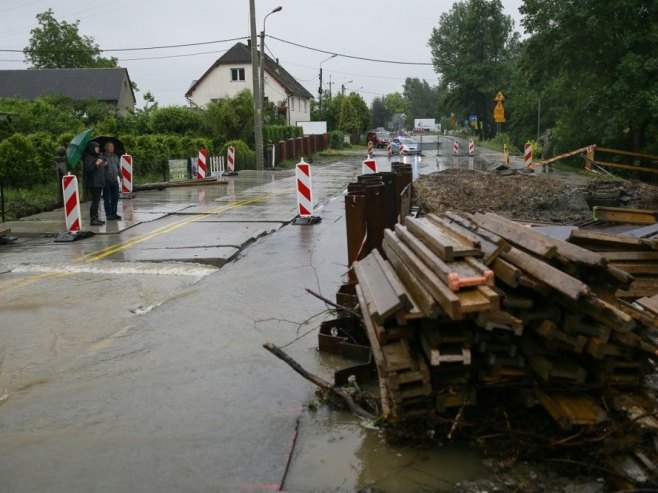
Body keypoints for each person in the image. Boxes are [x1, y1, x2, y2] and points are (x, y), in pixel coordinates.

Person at [82, 141, 106, 226]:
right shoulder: (88, 157)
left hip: (98, 182)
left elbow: (103, 159)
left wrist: (100, 160)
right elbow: (89, 169)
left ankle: (96, 218)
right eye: (96, 147)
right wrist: (97, 163)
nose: (98, 149)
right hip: (93, 182)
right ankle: (93, 219)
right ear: (92, 148)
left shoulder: (95, 156)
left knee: (97, 201)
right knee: (95, 202)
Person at [101, 141, 121, 220]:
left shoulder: (115, 156)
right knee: (107, 198)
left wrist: (121, 177)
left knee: (115, 198)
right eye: (110, 146)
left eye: (112, 146)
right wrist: (103, 164)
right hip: (106, 180)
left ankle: (114, 213)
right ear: (106, 148)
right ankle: (108, 215)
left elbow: (118, 167)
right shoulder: (102, 156)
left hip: (115, 180)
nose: (112, 148)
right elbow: (99, 166)